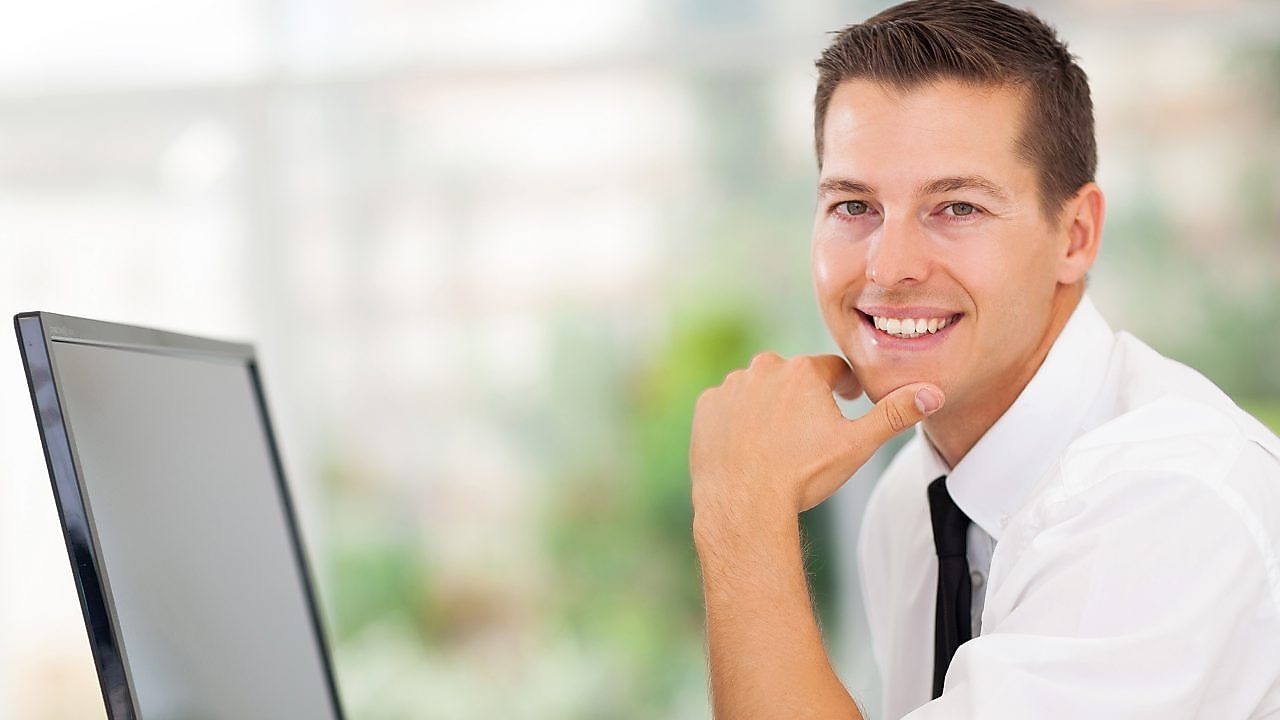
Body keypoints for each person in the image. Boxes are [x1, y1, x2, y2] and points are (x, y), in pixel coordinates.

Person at [687, 0, 1280, 717]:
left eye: (958, 207)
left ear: (1075, 235)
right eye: (854, 206)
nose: (890, 267)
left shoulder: (1172, 501)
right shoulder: (909, 503)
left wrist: (742, 511)